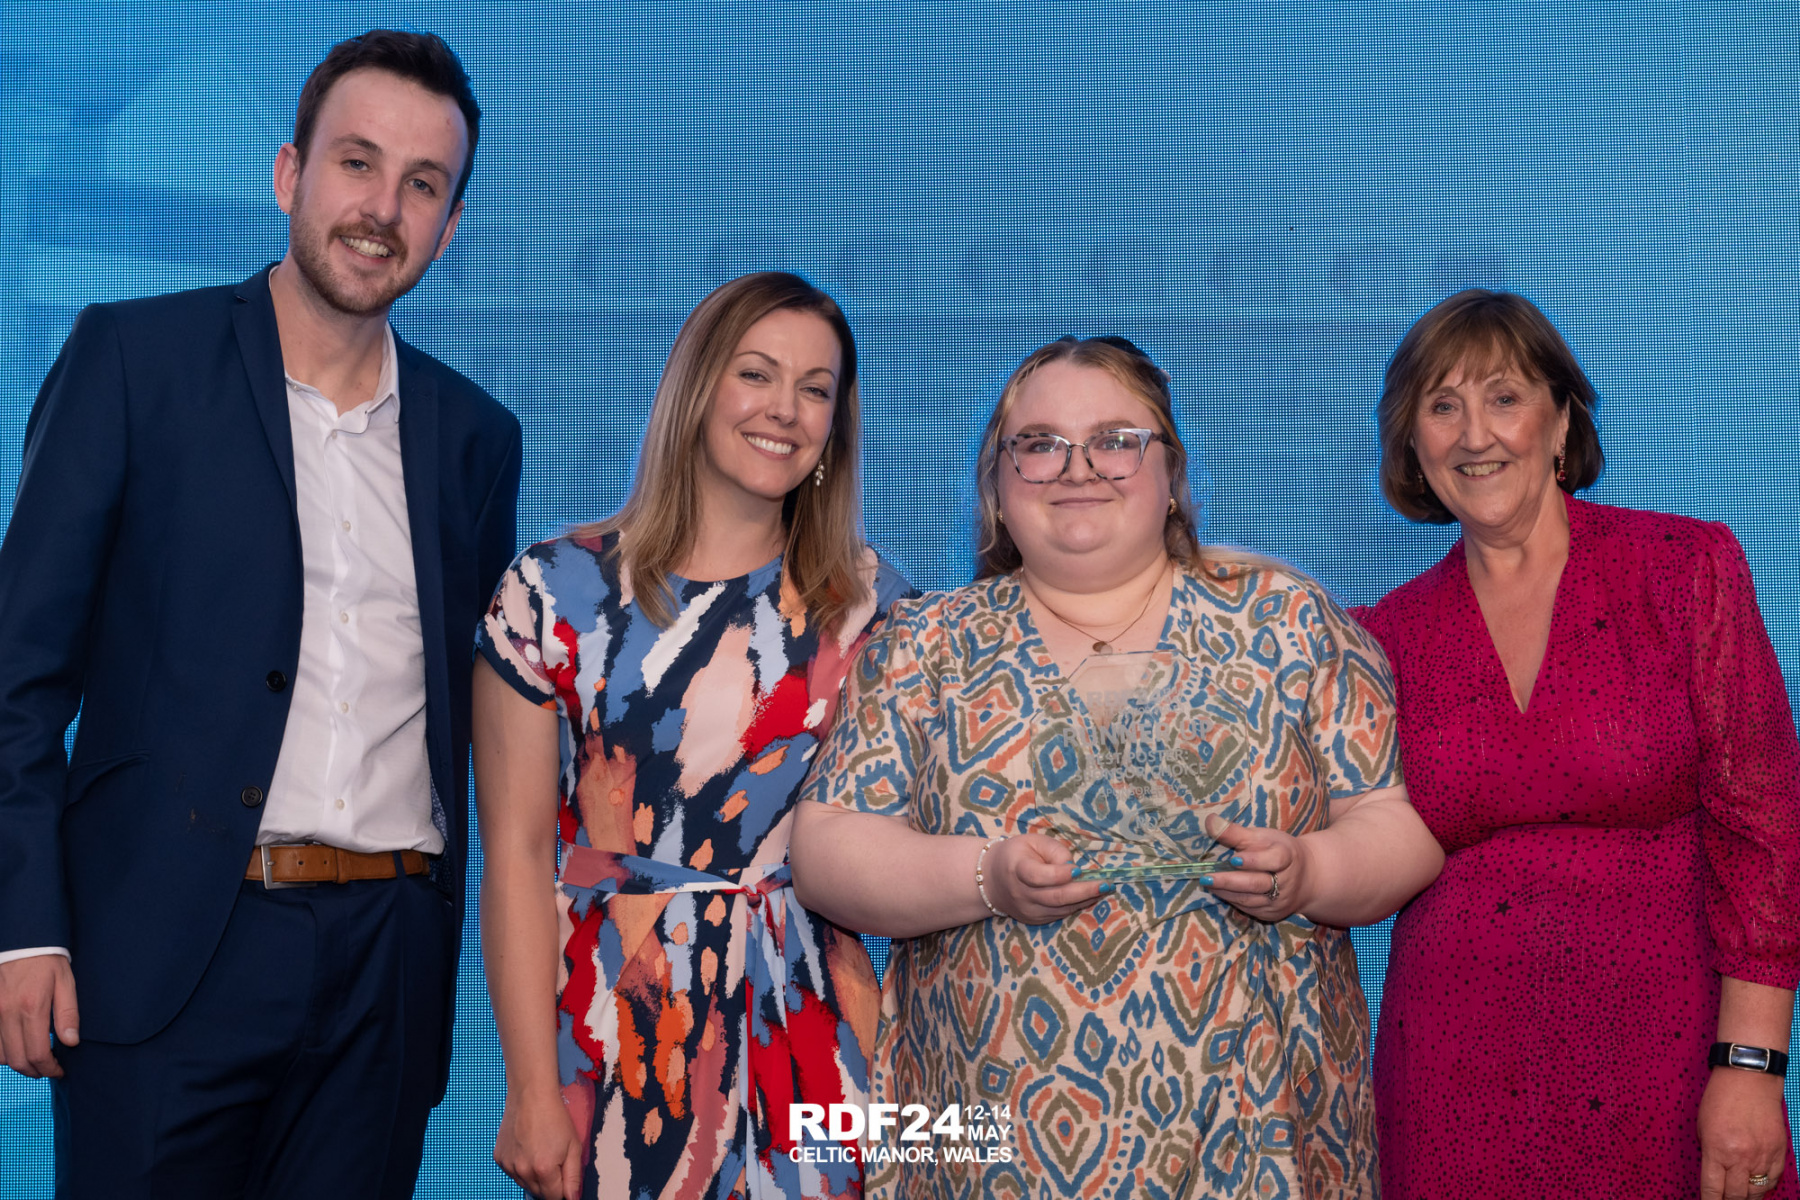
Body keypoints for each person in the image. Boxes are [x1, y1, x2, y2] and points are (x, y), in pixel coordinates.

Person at [0, 29, 520, 1197]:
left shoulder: (477, 439)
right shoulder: (133, 360)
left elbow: (472, 712)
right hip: (167, 956)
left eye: (422, 185)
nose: (381, 209)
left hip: (387, 971)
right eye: (356, 163)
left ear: (449, 225)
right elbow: (16, 675)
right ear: (291, 173)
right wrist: (24, 928)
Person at [788, 334, 1443, 1200]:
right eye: (1039, 444)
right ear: (996, 486)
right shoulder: (924, 645)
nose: (1077, 468)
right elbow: (825, 850)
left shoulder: (1288, 620)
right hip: (983, 1141)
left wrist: (1313, 871)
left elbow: (1397, 828)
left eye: (1115, 441)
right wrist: (986, 876)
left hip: (1259, 1136)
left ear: (1171, 475)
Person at [473, 271, 913, 1200]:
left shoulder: (876, 612)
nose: (784, 409)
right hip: (613, 1031)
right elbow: (514, 855)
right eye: (756, 373)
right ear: (697, 388)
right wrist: (530, 1089)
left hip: (822, 1042)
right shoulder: (552, 593)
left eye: (815, 388)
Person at [1355, 289, 1800, 1200]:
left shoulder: (1684, 570)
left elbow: (1766, 830)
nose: (1474, 434)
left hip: (1672, 1067)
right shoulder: (1383, 638)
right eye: (1442, 407)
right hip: (1450, 1087)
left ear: (1561, 421)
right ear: (1412, 446)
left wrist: (1752, 1064)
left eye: (1504, 398)